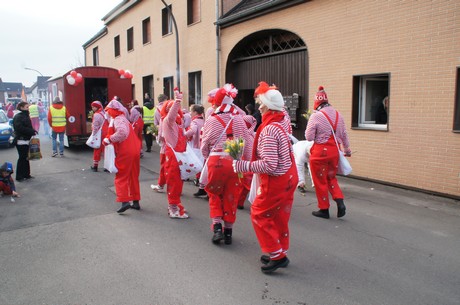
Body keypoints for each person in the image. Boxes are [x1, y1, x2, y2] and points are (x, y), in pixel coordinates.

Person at [233, 81, 298, 274]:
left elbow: (269, 165)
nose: (259, 107)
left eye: (262, 104)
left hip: (276, 181)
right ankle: (278, 249)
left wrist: (243, 165)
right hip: (288, 177)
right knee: (279, 215)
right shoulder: (281, 121)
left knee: (260, 214)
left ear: (269, 107)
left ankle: (277, 256)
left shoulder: (269, 130)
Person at [201, 84, 252, 245]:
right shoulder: (239, 119)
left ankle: (217, 227)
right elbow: (247, 142)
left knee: (214, 193)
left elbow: (204, 144)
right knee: (231, 195)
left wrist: (206, 158)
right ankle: (228, 231)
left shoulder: (211, 120)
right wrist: (247, 162)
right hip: (235, 162)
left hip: (217, 161)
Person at [305, 86, 352, 219]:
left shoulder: (316, 116)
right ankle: (339, 200)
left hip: (320, 152)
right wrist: (347, 150)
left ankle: (324, 209)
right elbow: (344, 135)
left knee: (320, 181)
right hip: (334, 152)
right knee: (331, 177)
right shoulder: (338, 115)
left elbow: (308, 137)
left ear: (317, 102)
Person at [103, 99, 141, 213]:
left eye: (108, 111)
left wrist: (109, 139)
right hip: (134, 149)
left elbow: (122, 133)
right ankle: (135, 201)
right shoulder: (124, 118)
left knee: (121, 177)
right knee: (133, 176)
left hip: (126, 151)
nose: (108, 113)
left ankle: (124, 201)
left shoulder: (118, 120)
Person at [157, 90, 189, 219]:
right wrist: (177, 101)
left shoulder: (177, 122)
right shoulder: (168, 121)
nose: (175, 111)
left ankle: (175, 204)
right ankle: (173, 208)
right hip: (173, 155)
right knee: (173, 181)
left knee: (178, 181)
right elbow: (171, 115)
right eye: (170, 109)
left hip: (179, 154)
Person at [12, 101, 37, 182]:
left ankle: (26, 174)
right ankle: (19, 176)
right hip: (20, 140)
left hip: (25, 140)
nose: (28, 108)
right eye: (27, 107)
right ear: (21, 107)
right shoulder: (18, 117)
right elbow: (19, 128)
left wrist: (33, 130)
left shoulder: (25, 116)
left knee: (26, 158)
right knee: (22, 158)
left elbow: (27, 126)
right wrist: (31, 131)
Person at [185, 104, 206, 195]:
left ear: (195, 112)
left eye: (191, 111)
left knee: (195, 163)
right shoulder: (203, 120)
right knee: (202, 164)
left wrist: (184, 135)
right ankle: (200, 181)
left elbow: (192, 131)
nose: (190, 113)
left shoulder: (194, 122)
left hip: (196, 145)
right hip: (202, 144)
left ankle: (197, 179)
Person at [151, 93, 169, 192]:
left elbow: (155, 125)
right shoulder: (171, 109)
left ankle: (161, 185)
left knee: (164, 165)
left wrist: (157, 136)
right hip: (175, 143)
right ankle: (174, 188)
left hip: (165, 142)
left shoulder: (157, 110)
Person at [89, 101, 109, 171]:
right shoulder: (104, 113)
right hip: (106, 133)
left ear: (97, 107)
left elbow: (95, 126)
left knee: (97, 149)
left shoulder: (96, 115)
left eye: (93, 107)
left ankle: (95, 166)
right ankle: (107, 167)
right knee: (105, 150)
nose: (92, 108)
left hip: (99, 134)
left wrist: (93, 135)